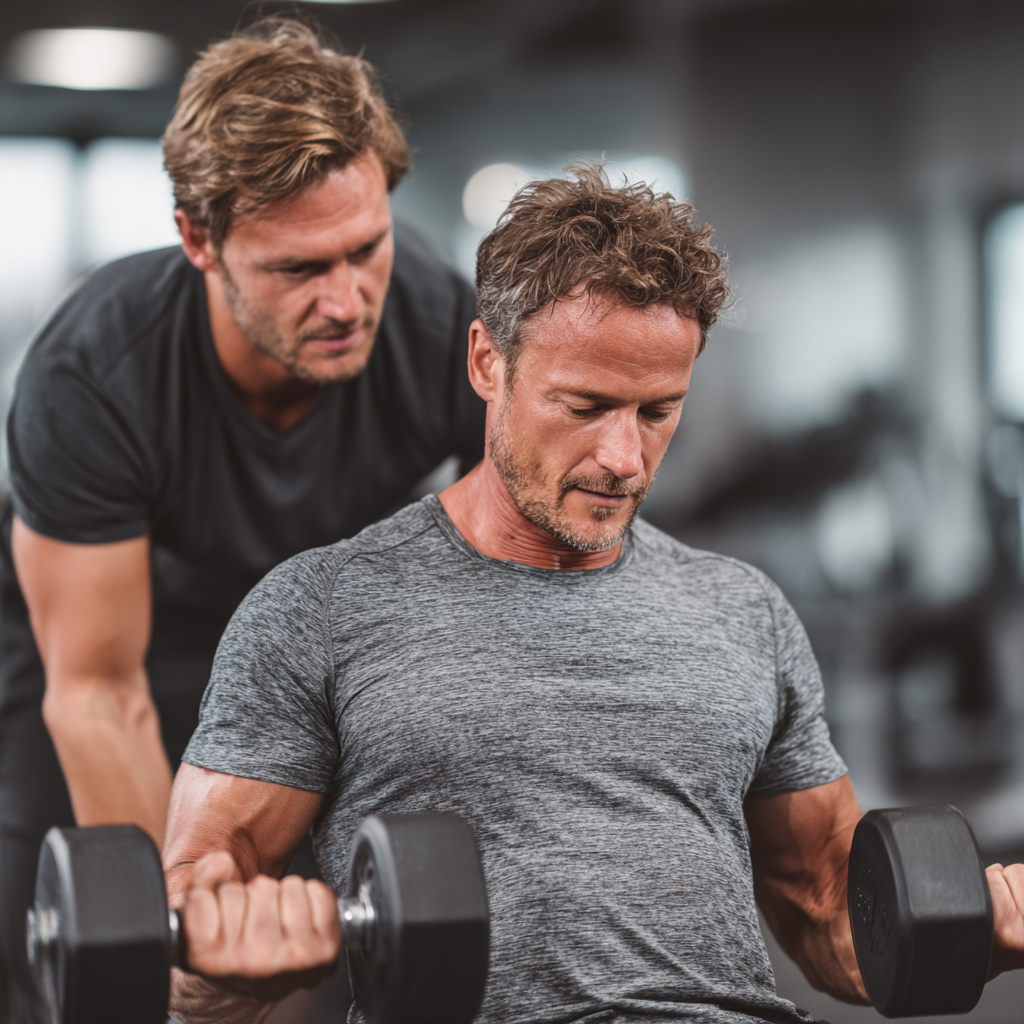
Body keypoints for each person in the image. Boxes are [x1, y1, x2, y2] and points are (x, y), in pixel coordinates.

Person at [164, 166, 1024, 1024]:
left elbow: (835, 921)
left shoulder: (744, 610)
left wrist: (972, 931)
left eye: (657, 412)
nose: (623, 458)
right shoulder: (320, 608)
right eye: (585, 405)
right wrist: (228, 956)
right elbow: (186, 952)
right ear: (487, 362)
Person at [0, 18, 484, 1023]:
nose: (346, 301)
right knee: (78, 946)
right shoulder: (95, 373)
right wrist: (176, 951)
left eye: (366, 249)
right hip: (118, 644)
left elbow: (511, 596)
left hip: (307, 646)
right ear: (199, 241)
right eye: (298, 268)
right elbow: (99, 694)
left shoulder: (439, 326)